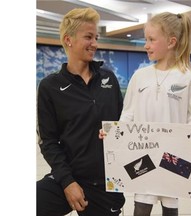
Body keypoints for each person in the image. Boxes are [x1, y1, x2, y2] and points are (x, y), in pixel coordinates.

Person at [100, 11, 191, 216]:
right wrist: (114, 135)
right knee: (142, 206)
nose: (146, 45)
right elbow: (128, 114)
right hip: (143, 153)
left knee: (171, 205)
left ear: (171, 42)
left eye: (151, 39)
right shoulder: (139, 76)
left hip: (174, 157)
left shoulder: (188, 78)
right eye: (146, 39)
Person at [36, 7, 125, 216]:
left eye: (96, 37)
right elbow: (48, 142)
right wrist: (67, 182)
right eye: (88, 37)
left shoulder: (109, 80)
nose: (95, 43)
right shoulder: (50, 86)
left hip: (106, 182)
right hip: (68, 176)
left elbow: (126, 126)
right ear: (68, 40)